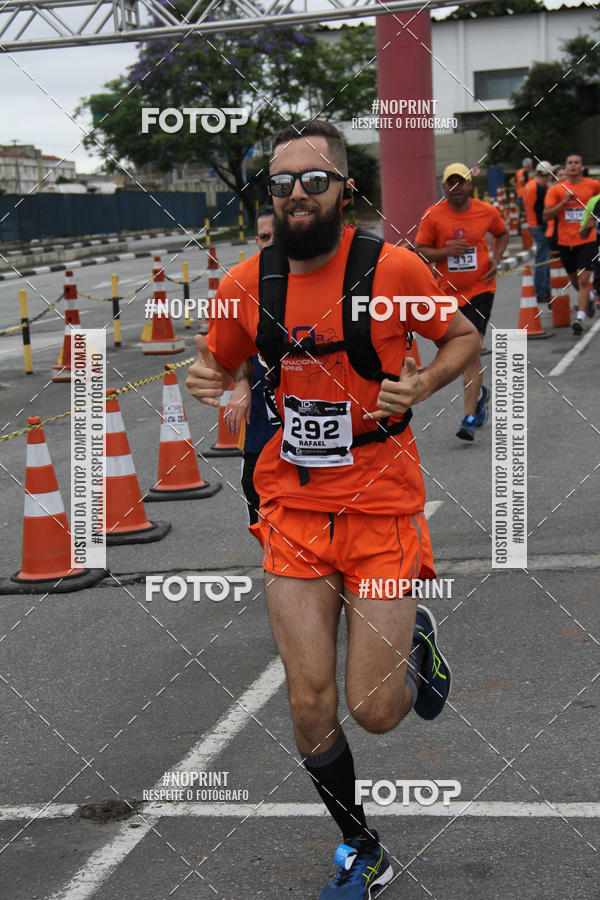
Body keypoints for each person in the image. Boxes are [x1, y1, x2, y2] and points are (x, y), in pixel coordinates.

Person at [186, 119, 478, 899]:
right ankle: (361, 844)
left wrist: (424, 384)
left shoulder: (397, 269)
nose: (296, 194)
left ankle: (417, 641)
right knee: (309, 699)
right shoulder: (242, 286)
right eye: (281, 182)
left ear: (345, 190)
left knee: (375, 711)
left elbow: (461, 337)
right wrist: (208, 378)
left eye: (313, 180)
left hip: (382, 505)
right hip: (292, 506)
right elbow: (214, 359)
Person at [415, 163, 508, 443]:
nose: (456, 188)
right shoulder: (433, 216)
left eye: (461, 182)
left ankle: (468, 418)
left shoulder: (486, 211)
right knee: (457, 353)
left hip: (481, 289)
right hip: (447, 295)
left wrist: (496, 258)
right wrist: (446, 251)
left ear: (469, 185)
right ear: (444, 186)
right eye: (450, 183)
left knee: (471, 351)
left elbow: (502, 233)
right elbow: (420, 252)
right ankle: (479, 396)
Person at [223, 203, 279, 538]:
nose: (270, 243)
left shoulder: (318, 283)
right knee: (264, 527)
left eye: (277, 235)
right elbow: (231, 349)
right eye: (264, 237)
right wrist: (242, 383)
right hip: (261, 435)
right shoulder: (242, 286)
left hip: (311, 441)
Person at [543, 153, 600, 335]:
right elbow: (546, 215)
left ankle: (580, 318)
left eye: (577, 163)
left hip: (587, 239)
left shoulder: (594, 186)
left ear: (582, 167)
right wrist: (564, 203)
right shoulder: (557, 190)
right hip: (565, 241)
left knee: (583, 280)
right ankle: (590, 297)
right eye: (570, 163)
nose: (573, 166)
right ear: (566, 168)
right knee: (575, 281)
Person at [522, 161, 553, 303]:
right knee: (542, 261)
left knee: (543, 259)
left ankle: (544, 290)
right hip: (540, 226)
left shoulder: (529, 185)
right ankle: (542, 292)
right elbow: (541, 210)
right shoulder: (540, 188)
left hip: (533, 224)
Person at [511, 157, 533, 232]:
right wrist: (525, 187)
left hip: (520, 195)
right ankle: (523, 230)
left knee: (521, 213)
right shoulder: (525, 172)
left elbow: (512, 181)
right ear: (529, 165)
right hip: (525, 195)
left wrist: (517, 188)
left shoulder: (519, 172)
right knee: (525, 212)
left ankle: (520, 229)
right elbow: (522, 180)